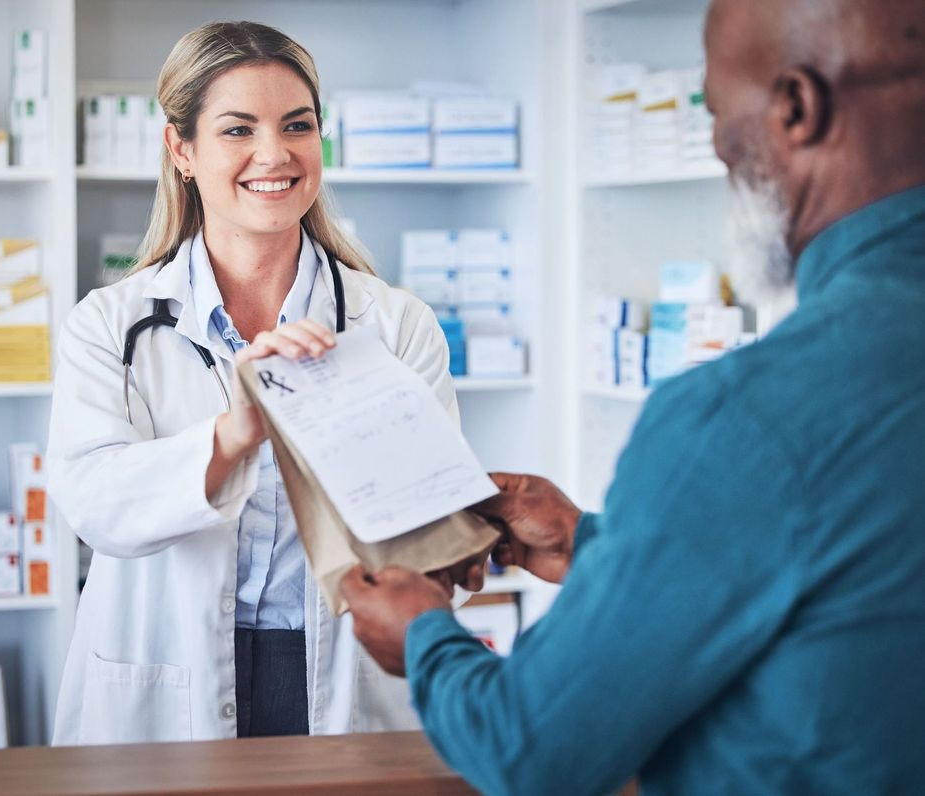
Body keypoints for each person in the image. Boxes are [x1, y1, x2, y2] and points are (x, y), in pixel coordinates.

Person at [341, 0, 925, 792]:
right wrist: (595, 543)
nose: (720, 149)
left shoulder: (744, 416)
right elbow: (855, 578)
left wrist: (423, 638)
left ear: (796, 108)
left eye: (718, 112)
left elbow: (530, 749)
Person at [47, 20, 478, 745]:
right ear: (181, 149)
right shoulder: (108, 326)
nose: (274, 155)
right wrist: (235, 431)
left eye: (297, 125)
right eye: (237, 130)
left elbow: (428, 532)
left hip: (344, 672)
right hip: (165, 677)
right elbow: (95, 506)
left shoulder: (395, 326)